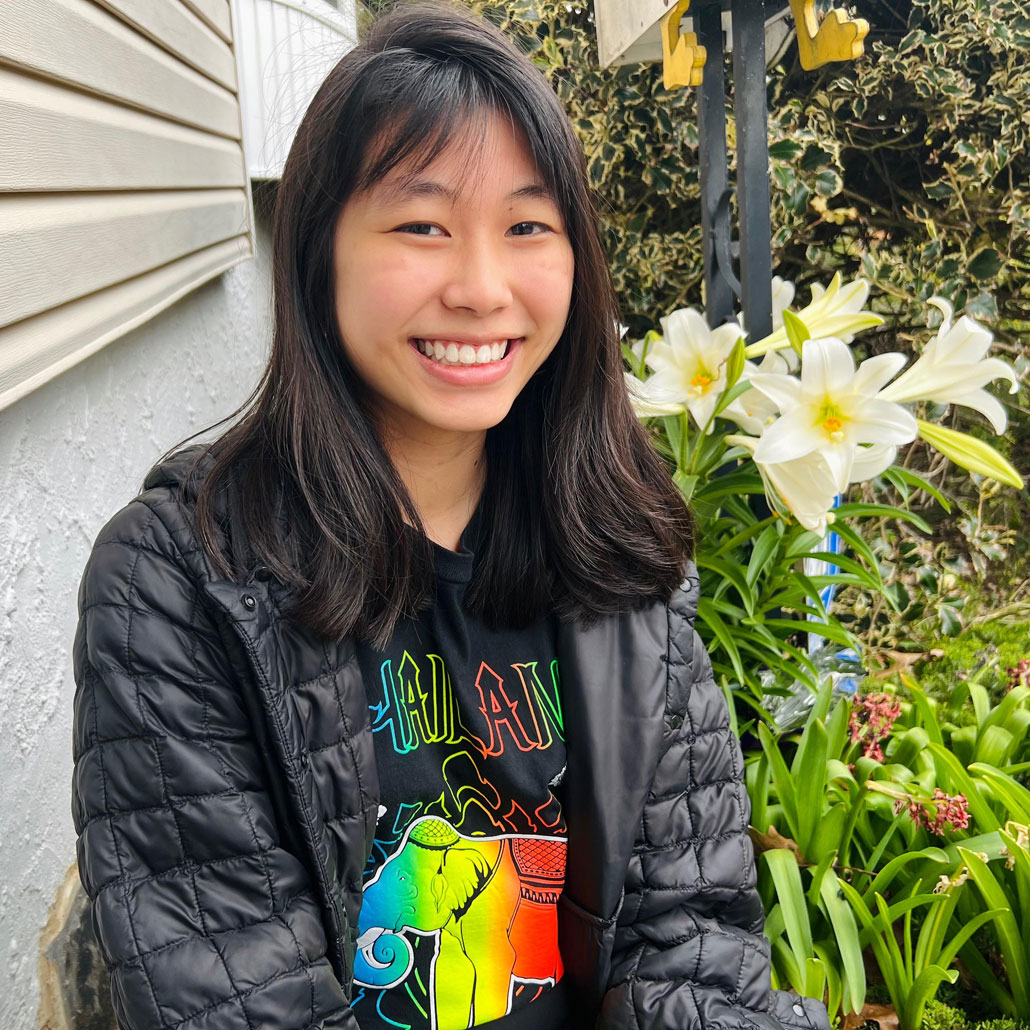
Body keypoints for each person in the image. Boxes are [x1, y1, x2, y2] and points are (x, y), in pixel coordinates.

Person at [70, 3, 833, 1030]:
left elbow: (690, 944)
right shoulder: (180, 582)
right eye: (421, 226)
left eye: (527, 226)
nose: (481, 289)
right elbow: (236, 998)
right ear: (317, 252)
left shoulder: (622, 560)